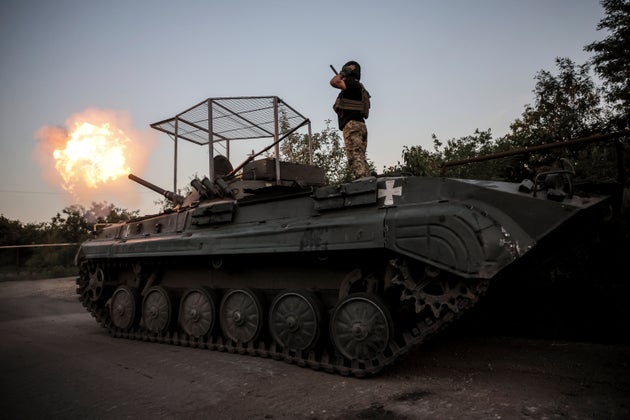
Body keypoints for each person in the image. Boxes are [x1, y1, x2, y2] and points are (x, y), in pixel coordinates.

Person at [330, 60, 371, 179]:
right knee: (360, 157)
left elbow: (333, 82)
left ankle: (363, 182)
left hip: (352, 125)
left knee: (355, 157)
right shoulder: (361, 89)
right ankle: (367, 178)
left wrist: (344, 73)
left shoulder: (350, 83)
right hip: (361, 126)